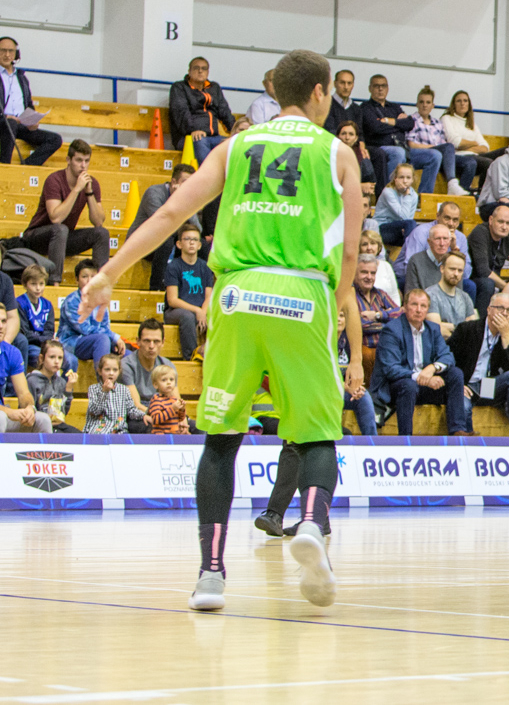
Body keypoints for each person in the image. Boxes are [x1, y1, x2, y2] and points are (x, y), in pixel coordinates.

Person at [80, 48, 364, 613]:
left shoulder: (235, 145)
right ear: (319, 92)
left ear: (276, 91)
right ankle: (310, 522)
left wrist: (110, 273)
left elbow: (168, 215)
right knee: (315, 433)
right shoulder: (337, 152)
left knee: (220, 439)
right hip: (301, 292)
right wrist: (334, 305)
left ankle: (210, 575)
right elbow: (352, 251)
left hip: (234, 295)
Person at [255, 310, 377, 539]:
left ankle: (280, 515)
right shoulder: (318, 332)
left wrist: (356, 362)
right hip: (308, 387)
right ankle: (316, 518)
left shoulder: (328, 334)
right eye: (337, 314)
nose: (339, 317)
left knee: (299, 443)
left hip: (317, 392)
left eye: (343, 315)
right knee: (304, 444)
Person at [377, 288, 470, 436]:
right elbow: (391, 369)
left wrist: (432, 368)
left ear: (427, 309)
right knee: (409, 385)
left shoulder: (433, 329)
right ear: (405, 307)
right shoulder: (392, 330)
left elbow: (447, 356)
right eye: (414, 304)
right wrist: (422, 377)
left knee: (455, 373)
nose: (419, 310)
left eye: (423, 306)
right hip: (396, 387)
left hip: (424, 386)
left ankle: (458, 430)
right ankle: (405, 437)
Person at [20, 138, 110, 282]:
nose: (83, 166)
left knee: (102, 233)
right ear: (68, 160)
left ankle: (100, 283)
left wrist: (89, 192)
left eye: (86, 161)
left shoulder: (92, 183)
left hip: (62, 238)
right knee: (60, 229)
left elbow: (98, 222)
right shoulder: (54, 180)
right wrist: (77, 189)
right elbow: (56, 218)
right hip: (36, 237)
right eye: (79, 160)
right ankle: (54, 282)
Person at [450, 292, 509, 438]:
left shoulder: (507, 334)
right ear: (489, 310)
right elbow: (447, 358)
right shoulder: (467, 329)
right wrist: (457, 384)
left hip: (486, 386)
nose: (504, 313)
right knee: (464, 406)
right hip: (466, 385)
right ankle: (467, 439)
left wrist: (506, 336)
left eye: (508, 310)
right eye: (500, 308)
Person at [129, 163, 200, 291]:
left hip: (170, 239)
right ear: (174, 182)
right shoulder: (154, 193)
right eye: (185, 182)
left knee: (198, 243)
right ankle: (156, 287)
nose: (188, 187)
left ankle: (195, 289)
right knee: (166, 240)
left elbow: (198, 229)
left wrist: (186, 202)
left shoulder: (188, 198)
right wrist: (178, 200)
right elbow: (161, 225)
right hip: (142, 242)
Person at [361, 75, 438, 191]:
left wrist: (388, 122)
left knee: (435, 156)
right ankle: (391, 193)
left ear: (388, 88)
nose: (380, 89)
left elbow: (409, 123)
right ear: (370, 88)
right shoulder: (365, 108)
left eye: (383, 86)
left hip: (403, 148)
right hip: (381, 148)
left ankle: (424, 196)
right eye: (376, 86)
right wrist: (398, 124)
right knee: (398, 152)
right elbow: (376, 128)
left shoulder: (394, 107)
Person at [0, 35, 62, 165]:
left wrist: (32, 120)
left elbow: (28, 104)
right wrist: (7, 117)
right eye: (3, 50)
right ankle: (4, 167)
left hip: (21, 125)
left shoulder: (22, 78)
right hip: (3, 123)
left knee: (55, 139)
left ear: (16, 54)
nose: (7, 55)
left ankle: (26, 167)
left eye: (11, 51)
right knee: (10, 123)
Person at [168, 56, 235, 164]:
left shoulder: (214, 88)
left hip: (213, 137)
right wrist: (192, 130)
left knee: (233, 143)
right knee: (200, 140)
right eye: (196, 68)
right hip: (188, 137)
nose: (200, 71)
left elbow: (224, 112)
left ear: (208, 72)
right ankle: (207, 173)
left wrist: (236, 131)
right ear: (189, 71)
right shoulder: (179, 87)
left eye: (204, 68)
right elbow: (181, 112)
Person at [467, 203, 509, 318]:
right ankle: (483, 323)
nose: (504, 227)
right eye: (501, 222)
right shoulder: (480, 232)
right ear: (491, 220)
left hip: (496, 281)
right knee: (487, 284)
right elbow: (483, 271)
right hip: (475, 280)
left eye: (508, 223)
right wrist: (505, 286)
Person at [58, 259, 123, 364]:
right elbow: (85, 329)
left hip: (96, 342)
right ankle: (103, 374)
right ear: (77, 280)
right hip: (72, 344)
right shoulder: (71, 301)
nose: (89, 281)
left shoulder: (101, 300)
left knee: (126, 354)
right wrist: (114, 337)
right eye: (84, 277)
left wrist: (115, 340)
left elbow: (105, 327)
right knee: (102, 339)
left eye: (93, 277)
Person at [164, 226, 214, 360]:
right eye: (187, 239)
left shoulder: (205, 267)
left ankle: (214, 355)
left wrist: (203, 311)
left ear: (199, 245)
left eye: (195, 239)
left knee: (219, 315)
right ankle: (191, 356)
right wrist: (197, 311)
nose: (191, 242)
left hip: (200, 310)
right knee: (188, 317)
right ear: (179, 244)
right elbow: (172, 300)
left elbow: (209, 296)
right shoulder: (173, 266)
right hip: (176, 312)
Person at [407, 87, 468, 196]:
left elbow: (442, 144)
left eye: (428, 102)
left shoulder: (437, 123)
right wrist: (432, 148)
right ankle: (450, 184)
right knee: (440, 151)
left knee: (468, 162)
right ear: (417, 104)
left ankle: (460, 191)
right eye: (421, 102)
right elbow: (411, 144)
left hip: (436, 155)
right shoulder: (411, 120)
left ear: (432, 105)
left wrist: (436, 149)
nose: (424, 105)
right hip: (416, 155)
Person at [441, 90, 492, 190]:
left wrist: (467, 147)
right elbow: (455, 142)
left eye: (465, 101)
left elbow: (485, 147)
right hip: (456, 157)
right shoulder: (447, 118)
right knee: (482, 162)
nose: (462, 103)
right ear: (453, 104)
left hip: (474, 156)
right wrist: (474, 143)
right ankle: (463, 193)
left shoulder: (471, 123)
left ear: (469, 104)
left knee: (500, 155)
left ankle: (482, 192)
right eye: (459, 101)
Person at [424, 251, 477, 338]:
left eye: (460, 270)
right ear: (442, 269)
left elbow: (472, 330)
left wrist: (450, 327)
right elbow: (436, 330)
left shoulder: (465, 297)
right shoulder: (430, 295)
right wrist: (462, 328)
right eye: (452, 269)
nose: (456, 274)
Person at [27, 340, 75, 433]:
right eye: (52, 357)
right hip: (39, 426)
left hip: (58, 425)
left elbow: (63, 412)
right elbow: (28, 410)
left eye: (60, 358)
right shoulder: (32, 380)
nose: (57, 361)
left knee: (80, 437)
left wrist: (68, 389)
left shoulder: (61, 382)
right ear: (41, 358)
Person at [85, 353, 139, 434]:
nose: (111, 373)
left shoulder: (124, 389)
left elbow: (131, 410)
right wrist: (104, 392)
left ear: (119, 371)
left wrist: (144, 415)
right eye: (107, 370)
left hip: (119, 431)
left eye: (115, 370)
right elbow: (94, 411)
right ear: (99, 371)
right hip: (98, 430)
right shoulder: (93, 389)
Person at [15, 264, 53, 367]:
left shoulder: (48, 304)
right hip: (29, 346)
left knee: (69, 359)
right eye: (33, 284)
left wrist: (46, 341)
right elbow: (25, 332)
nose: (38, 288)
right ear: (25, 285)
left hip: (45, 346)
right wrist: (43, 340)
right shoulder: (19, 303)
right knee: (47, 359)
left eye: (41, 284)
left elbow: (50, 331)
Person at [374, 163, 419, 247]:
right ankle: (409, 252)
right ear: (395, 178)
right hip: (381, 229)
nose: (405, 181)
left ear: (412, 180)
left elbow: (408, 218)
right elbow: (404, 216)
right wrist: (407, 196)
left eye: (408, 178)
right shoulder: (388, 192)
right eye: (401, 177)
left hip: (399, 229)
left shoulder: (414, 195)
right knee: (411, 224)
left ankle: (408, 251)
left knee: (419, 230)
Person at [145, 364, 190, 434]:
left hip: (174, 434)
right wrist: (172, 409)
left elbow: (180, 418)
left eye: (171, 379)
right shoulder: (156, 400)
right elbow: (155, 419)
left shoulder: (174, 399)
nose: (169, 382)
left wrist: (182, 409)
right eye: (164, 380)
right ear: (156, 385)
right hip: (161, 435)